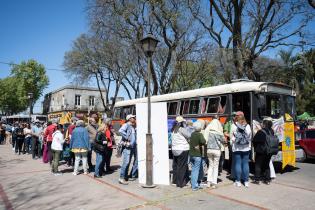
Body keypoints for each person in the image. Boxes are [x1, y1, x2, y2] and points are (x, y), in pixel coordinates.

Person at [230, 114, 252, 187]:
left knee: (238, 163)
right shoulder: (248, 126)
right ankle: (246, 181)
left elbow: (231, 137)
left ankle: (238, 181)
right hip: (246, 148)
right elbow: (249, 137)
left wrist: (233, 143)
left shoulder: (234, 126)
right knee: (246, 164)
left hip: (237, 148)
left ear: (236, 119)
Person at [253, 117, 274, 185]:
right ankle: (267, 180)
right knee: (267, 165)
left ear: (264, 124)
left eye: (262, 123)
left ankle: (257, 179)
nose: (261, 124)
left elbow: (254, 140)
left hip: (261, 151)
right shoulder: (271, 131)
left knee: (258, 165)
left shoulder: (260, 131)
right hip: (269, 151)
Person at [171, 116, 190, 188]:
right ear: (182, 122)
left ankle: (175, 181)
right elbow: (189, 135)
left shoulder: (173, 129)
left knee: (175, 166)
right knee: (182, 166)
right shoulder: (181, 129)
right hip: (183, 149)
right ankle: (180, 183)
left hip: (175, 149)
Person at [205, 119, 225, 188]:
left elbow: (205, 139)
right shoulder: (218, 132)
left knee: (210, 166)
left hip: (209, 150)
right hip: (216, 151)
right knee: (215, 167)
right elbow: (224, 140)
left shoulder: (208, 131)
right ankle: (214, 183)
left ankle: (208, 182)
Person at [118, 114, 137, 185]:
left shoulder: (132, 126)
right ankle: (121, 178)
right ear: (129, 119)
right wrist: (127, 137)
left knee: (128, 162)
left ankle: (125, 177)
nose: (134, 118)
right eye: (133, 117)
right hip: (127, 147)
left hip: (131, 147)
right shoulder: (127, 125)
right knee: (125, 162)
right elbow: (120, 131)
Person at [189, 121, 206, 191]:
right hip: (197, 155)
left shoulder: (192, 134)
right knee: (196, 170)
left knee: (193, 170)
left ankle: (194, 184)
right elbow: (203, 141)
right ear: (200, 128)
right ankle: (194, 186)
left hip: (191, 154)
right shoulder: (200, 134)